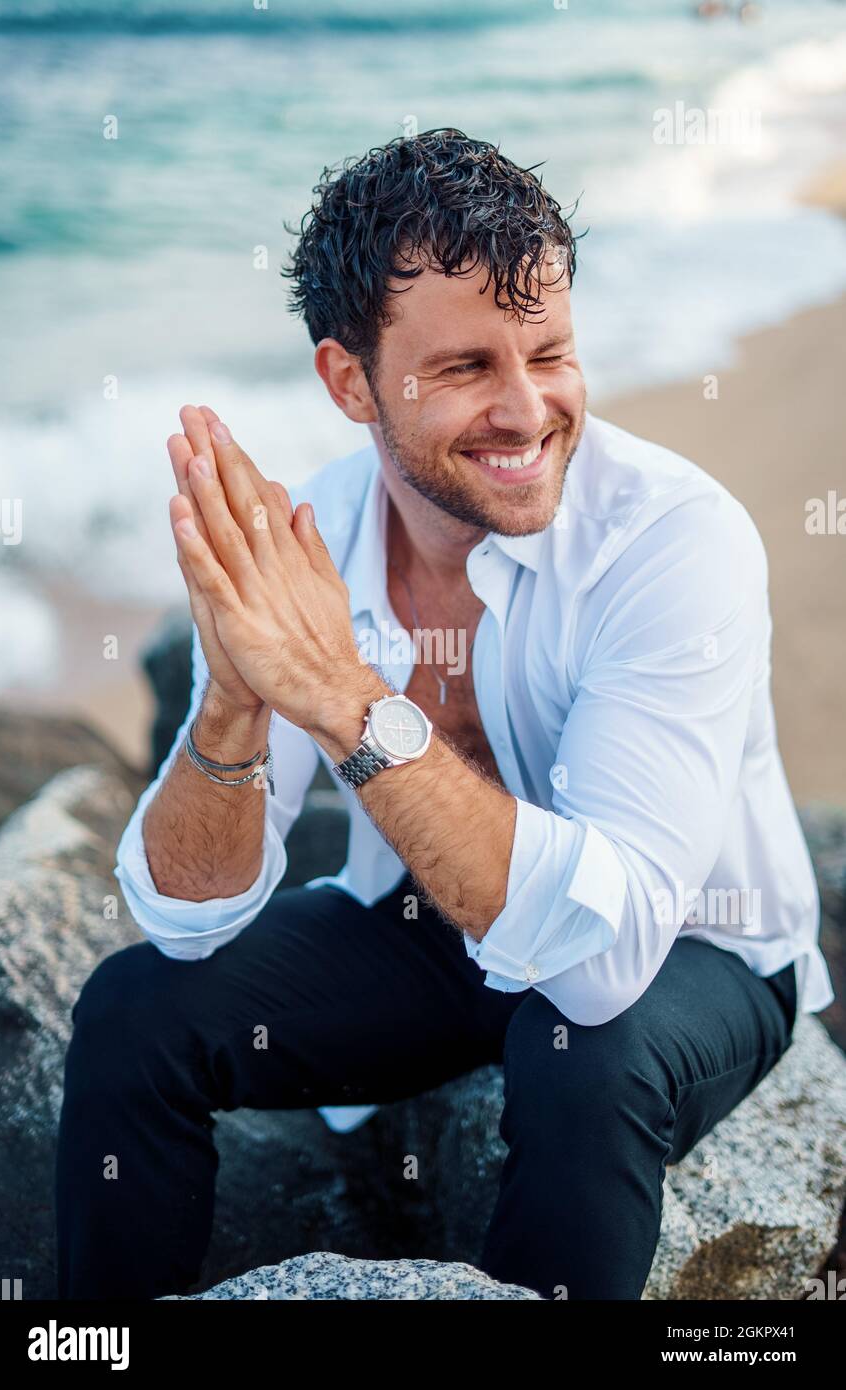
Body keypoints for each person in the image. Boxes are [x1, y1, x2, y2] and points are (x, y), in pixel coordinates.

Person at [55, 128, 834, 1302]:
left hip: (691, 941)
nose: (527, 411)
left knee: (578, 1055)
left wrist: (345, 697)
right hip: (442, 927)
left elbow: (602, 960)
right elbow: (184, 918)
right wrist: (232, 706)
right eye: (467, 367)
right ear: (348, 381)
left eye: (551, 353)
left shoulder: (675, 539)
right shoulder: (313, 534)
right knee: (132, 1009)